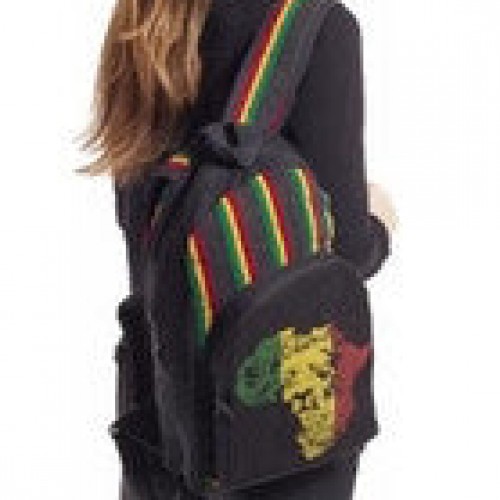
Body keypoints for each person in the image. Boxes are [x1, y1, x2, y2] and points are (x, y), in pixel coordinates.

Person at [82, 0, 396, 498]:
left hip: (159, 430)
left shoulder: (144, 19)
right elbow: (347, 252)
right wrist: (380, 222)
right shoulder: (313, 25)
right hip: (272, 445)